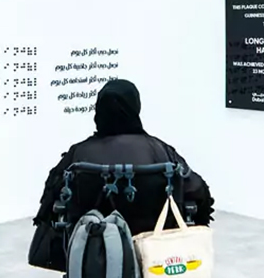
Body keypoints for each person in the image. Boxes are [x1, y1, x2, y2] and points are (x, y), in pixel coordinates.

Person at [35, 79, 214, 228]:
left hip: (91, 244)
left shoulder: (78, 153)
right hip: (152, 244)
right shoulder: (160, 150)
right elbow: (197, 190)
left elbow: (52, 194)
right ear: (136, 108)